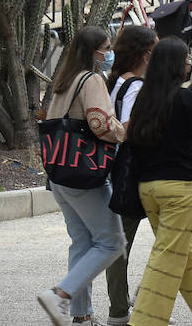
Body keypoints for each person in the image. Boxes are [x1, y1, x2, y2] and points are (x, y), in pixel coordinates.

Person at [126, 37, 192, 326]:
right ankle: (143, 321)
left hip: (147, 189)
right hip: (177, 190)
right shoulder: (185, 98)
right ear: (176, 65)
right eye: (187, 59)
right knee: (168, 255)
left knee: (181, 248)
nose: (190, 64)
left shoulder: (143, 99)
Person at [38, 27, 127, 326]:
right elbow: (99, 123)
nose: (109, 52)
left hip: (60, 173)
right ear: (92, 51)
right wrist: (124, 130)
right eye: (105, 47)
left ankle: (81, 314)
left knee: (82, 242)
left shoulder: (64, 81)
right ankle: (60, 295)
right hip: (84, 174)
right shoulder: (91, 80)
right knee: (112, 242)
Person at [104, 24, 158, 326]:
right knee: (169, 242)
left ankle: (124, 307)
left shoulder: (115, 82)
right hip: (136, 175)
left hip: (117, 173)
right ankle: (124, 310)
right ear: (146, 55)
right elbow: (129, 131)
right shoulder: (136, 86)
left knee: (121, 243)